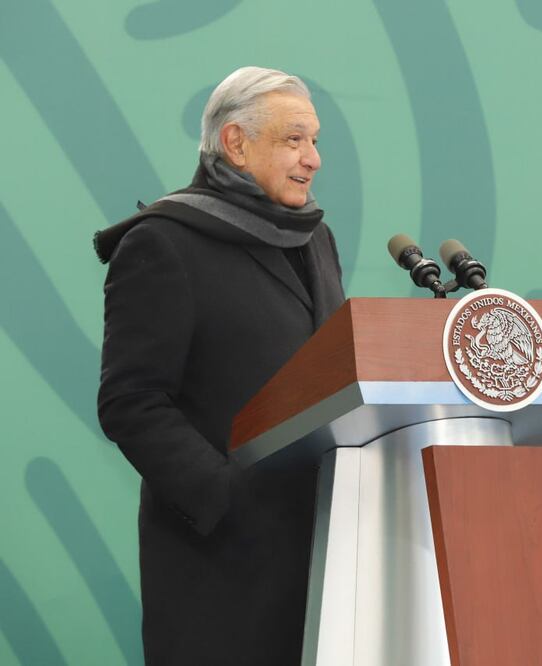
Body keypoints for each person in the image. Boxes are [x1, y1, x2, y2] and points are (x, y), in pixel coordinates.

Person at [95, 67, 345, 665]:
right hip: (221, 570)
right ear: (235, 143)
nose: (313, 159)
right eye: (293, 140)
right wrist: (228, 500)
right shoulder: (164, 243)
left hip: (327, 558)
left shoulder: (316, 239)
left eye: (314, 140)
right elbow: (131, 401)